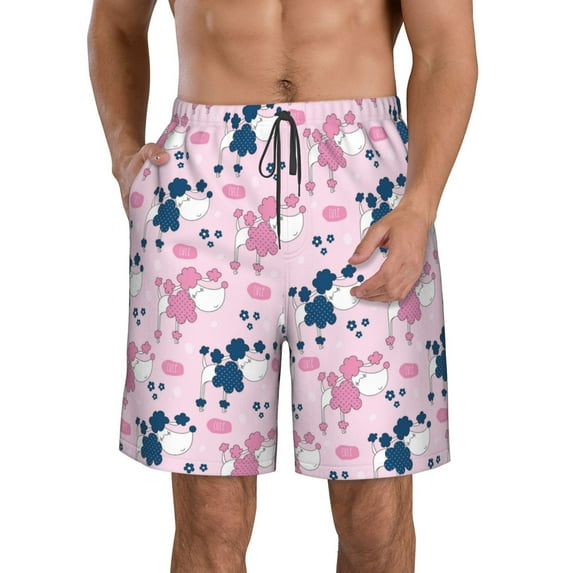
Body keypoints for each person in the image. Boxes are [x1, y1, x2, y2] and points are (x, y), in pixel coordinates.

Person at [87, 0, 477, 570]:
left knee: (374, 513)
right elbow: (116, 25)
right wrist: (124, 154)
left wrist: (419, 205)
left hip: (364, 199)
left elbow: (445, 49)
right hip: (203, 189)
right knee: (210, 515)